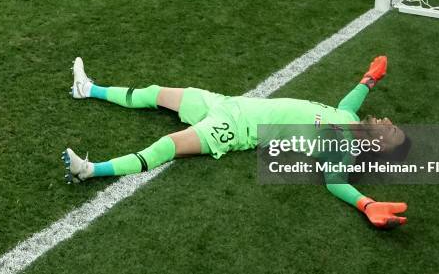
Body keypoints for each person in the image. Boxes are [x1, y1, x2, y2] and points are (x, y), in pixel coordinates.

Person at [62, 56, 410, 229]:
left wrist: (365, 203)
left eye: (392, 131)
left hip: (236, 129)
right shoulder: (347, 118)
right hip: (228, 101)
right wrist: (369, 79)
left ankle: (91, 170)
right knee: (154, 93)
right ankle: (87, 89)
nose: (388, 122)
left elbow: (335, 183)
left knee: (167, 144)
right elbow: (350, 102)